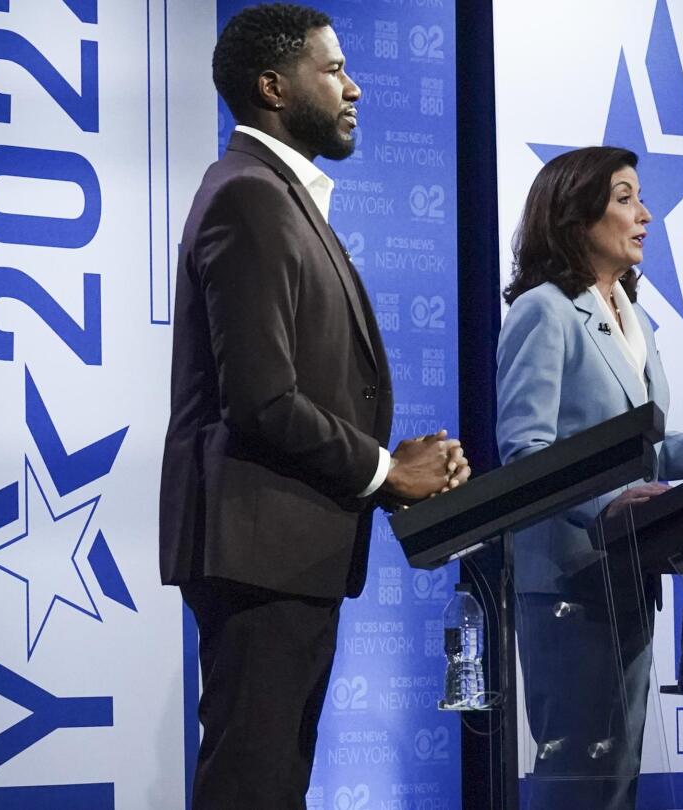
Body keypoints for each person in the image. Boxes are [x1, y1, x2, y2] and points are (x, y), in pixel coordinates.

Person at [158, 5, 469, 808]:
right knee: (251, 787)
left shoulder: (272, 195)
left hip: (287, 550)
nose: (354, 86)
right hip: (259, 550)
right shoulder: (248, 197)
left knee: (272, 786)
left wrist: (401, 462)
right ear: (272, 86)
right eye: (332, 70)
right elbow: (260, 398)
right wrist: (385, 470)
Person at [496, 145, 683, 808]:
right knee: (575, 778)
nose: (645, 214)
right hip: (565, 580)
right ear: (575, 217)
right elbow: (526, 451)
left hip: (625, 574)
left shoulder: (633, 316)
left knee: (616, 774)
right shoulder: (543, 311)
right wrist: (604, 507)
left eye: (639, 197)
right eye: (625, 198)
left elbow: (643, 457)